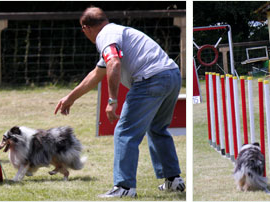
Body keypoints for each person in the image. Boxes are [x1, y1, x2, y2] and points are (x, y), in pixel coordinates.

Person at [54, 7, 184, 198]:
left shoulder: (105, 36)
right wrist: (70, 98)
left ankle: (124, 187)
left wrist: (112, 100)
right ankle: (173, 180)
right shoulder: (116, 31)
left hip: (150, 79)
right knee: (157, 129)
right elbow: (97, 74)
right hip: (172, 75)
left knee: (124, 133)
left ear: (85, 28)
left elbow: (113, 63)